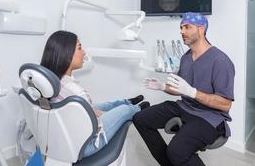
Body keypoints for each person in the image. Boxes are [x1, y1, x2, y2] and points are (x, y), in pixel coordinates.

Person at [133, 12, 235, 166]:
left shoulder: (220, 61)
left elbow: (225, 104)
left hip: (210, 118)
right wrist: (162, 86)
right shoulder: (186, 58)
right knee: (140, 119)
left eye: (187, 27)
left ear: (201, 29)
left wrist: (192, 92)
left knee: (176, 151)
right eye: (181, 27)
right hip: (184, 107)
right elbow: (181, 89)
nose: (182, 31)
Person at [40, 30, 150, 158]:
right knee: (123, 110)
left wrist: (96, 111)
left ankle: (128, 101)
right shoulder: (75, 91)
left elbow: (85, 112)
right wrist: (106, 115)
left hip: (69, 133)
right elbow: (95, 124)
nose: (84, 52)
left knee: (104, 105)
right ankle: (135, 109)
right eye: (79, 48)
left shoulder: (52, 83)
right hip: (87, 144)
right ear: (66, 53)